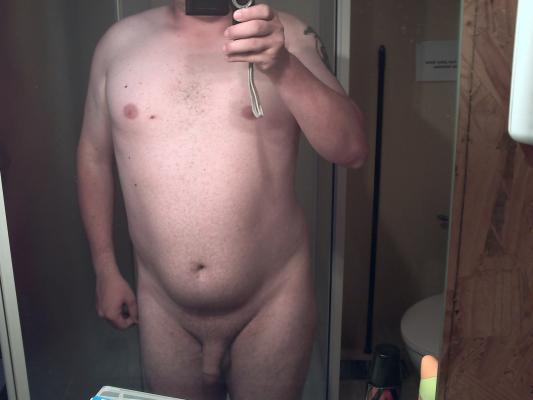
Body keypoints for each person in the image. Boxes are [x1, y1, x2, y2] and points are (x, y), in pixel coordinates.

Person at [77, 1, 367, 399]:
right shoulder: (118, 43)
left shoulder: (289, 36)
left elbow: (352, 150)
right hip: (164, 308)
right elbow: (93, 156)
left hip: (272, 304)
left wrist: (282, 66)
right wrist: (104, 267)